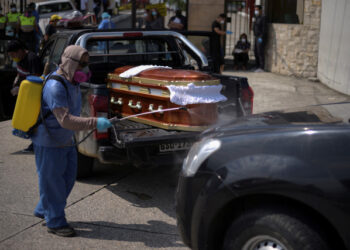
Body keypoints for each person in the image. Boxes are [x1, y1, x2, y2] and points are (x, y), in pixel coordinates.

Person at [31, 45, 112, 237]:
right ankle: (56, 222)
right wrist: (95, 122)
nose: (85, 69)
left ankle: (44, 209)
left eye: (87, 64)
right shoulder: (55, 86)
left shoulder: (71, 82)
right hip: (49, 143)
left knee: (66, 180)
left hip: (65, 141)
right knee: (53, 184)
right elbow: (65, 120)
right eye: (82, 64)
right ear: (70, 62)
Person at [7, 40, 43, 153]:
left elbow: (35, 79)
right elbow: (20, 74)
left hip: (33, 95)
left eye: (13, 55)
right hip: (24, 94)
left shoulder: (32, 59)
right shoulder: (19, 59)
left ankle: (36, 144)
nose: (13, 58)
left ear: (20, 51)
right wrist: (15, 84)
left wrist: (21, 89)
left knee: (35, 120)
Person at [253, 5, 267, 72]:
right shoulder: (256, 17)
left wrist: (261, 37)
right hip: (256, 36)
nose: (256, 11)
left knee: (260, 52)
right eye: (255, 9)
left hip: (260, 37)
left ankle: (261, 67)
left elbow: (264, 29)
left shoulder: (263, 18)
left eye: (257, 10)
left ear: (261, 10)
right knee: (255, 51)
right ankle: (257, 66)